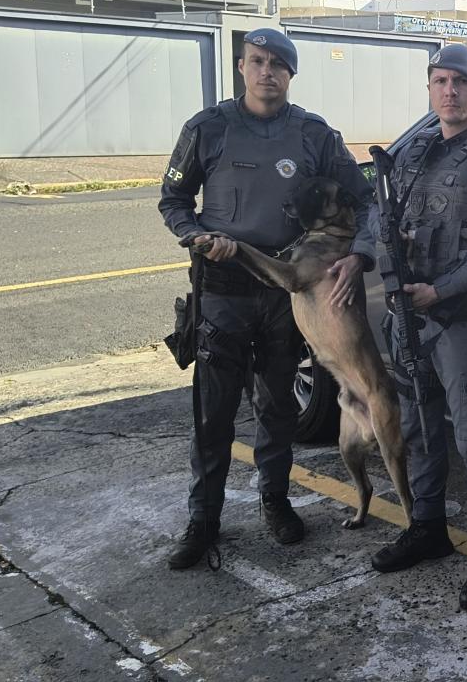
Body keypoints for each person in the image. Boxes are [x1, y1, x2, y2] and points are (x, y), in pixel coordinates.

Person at [158, 28, 375, 570]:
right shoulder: (207, 129)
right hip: (223, 292)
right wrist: (197, 236)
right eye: (257, 62)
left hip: (287, 296)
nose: (267, 72)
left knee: (278, 408)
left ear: (291, 74)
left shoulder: (313, 136)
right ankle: (203, 519)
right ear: (241, 67)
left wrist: (359, 253)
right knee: (214, 413)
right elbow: (173, 199)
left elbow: (364, 198)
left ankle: (275, 503)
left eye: (278, 64)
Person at [354, 43, 467, 612]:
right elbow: (378, 219)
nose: (449, 91)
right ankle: (427, 525)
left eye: (461, 82)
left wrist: (443, 289)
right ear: (429, 89)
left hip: (461, 321)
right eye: (440, 81)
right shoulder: (414, 155)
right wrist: (359, 258)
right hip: (410, 318)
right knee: (419, 428)